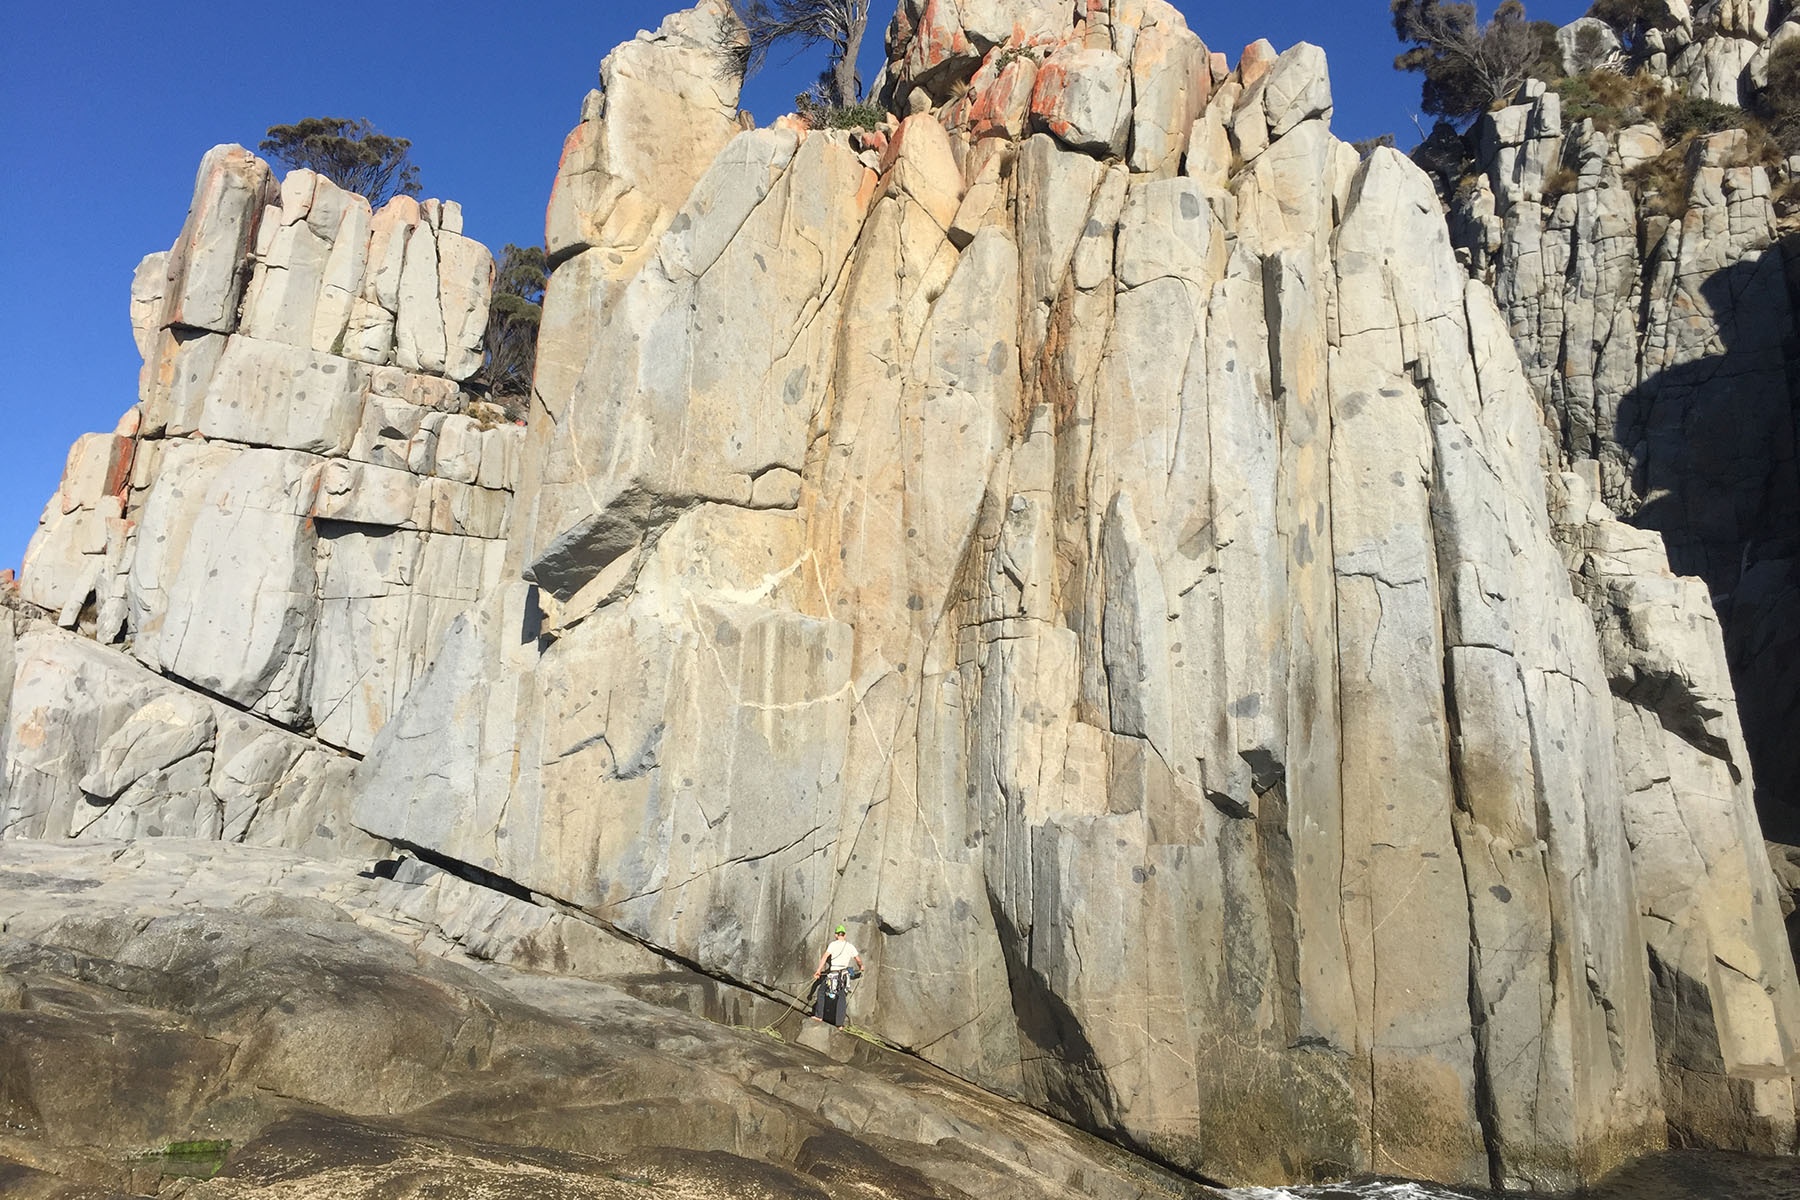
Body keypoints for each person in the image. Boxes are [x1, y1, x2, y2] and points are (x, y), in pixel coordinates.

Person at [811, 924, 862, 1027]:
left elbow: (825, 957)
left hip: (833, 974)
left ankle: (819, 1016)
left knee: (821, 991)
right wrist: (861, 966)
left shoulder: (833, 945)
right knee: (842, 997)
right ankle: (839, 1024)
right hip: (844, 975)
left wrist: (818, 970)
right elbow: (858, 960)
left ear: (836, 935)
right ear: (845, 935)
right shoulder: (850, 946)